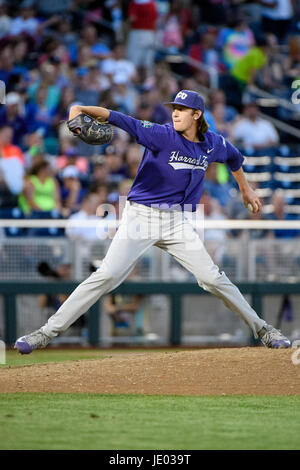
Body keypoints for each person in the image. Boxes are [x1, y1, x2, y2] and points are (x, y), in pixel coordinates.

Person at [15, 89, 291, 353]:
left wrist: (245, 188)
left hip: (177, 222)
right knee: (107, 275)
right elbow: (117, 118)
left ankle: (264, 330)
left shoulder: (213, 143)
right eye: (174, 108)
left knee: (212, 278)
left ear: (197, 114)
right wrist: (80, 109)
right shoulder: (160, 134)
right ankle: (45, 333)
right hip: (141, 216)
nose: (175, 113)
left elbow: (234, 158)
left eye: (182, 110)